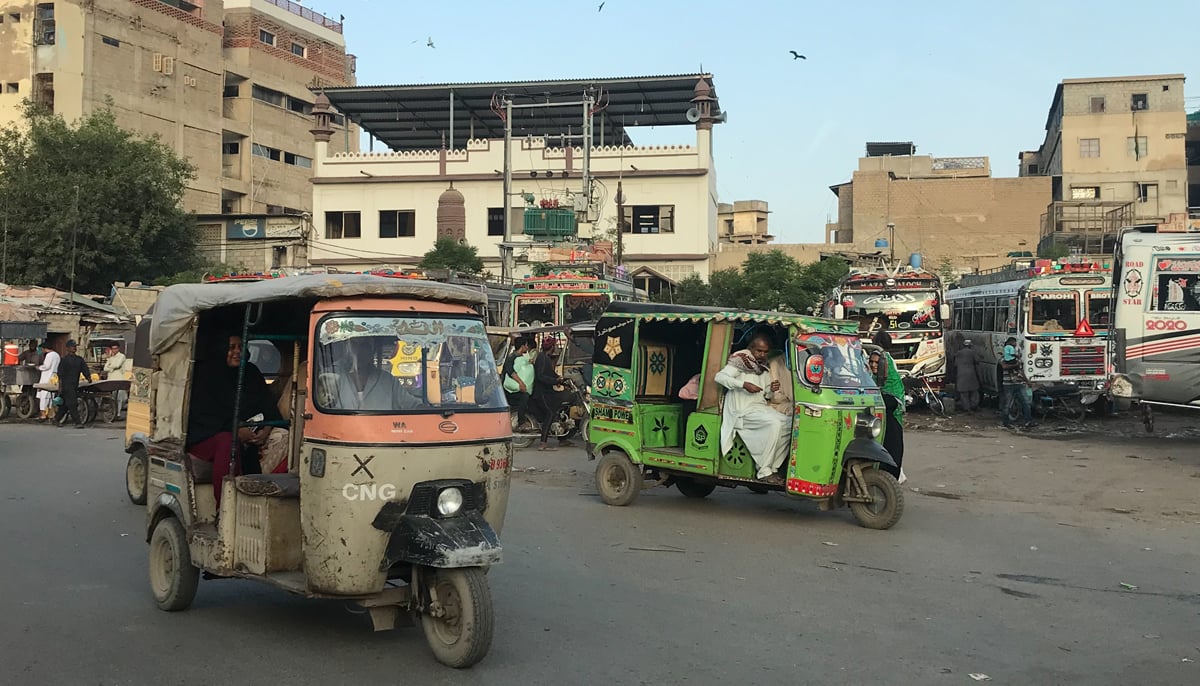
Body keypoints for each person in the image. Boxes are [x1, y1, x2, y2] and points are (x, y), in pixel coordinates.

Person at [185, 334, 287, 507]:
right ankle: (224, 507)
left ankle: (267, 496)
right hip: (209, 435)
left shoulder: (251, 372)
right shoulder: (205, 374)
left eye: (241, 347)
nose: (237, 352)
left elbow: (268, 406)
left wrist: (265, 430)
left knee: (284, 437)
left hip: (254, 430)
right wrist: (236, 430)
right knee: (228, 442)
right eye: (232, 347)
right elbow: (204, 415)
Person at [713, 328, 790, 484]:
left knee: (789, 423)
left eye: (765, 351)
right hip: (740, 410)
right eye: (759, 350)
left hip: (759, 407)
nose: (761, 354)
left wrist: (771, 390)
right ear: (751, 348)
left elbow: (765, 395)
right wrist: (743, 384)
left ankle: (773, 467)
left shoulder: (763, 366)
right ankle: (764, 471)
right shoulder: (740, 360)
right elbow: (720, 377)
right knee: (773, 424)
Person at [871, 331, 905, 482]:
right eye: (871, 363)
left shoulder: (883, 359)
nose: (873, 365)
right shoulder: (887, 358)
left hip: (889, 404)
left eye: (875, 363)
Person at [531, 336, 569, 451]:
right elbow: (541, 376)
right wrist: (555, 381)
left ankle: (563, 438)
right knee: (550, 413)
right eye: (554, 346)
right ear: (552, 347)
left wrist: (562, 379)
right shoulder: (542, 358)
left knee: (563, 406)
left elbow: (551, 374)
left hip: (548, 391)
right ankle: (543, 442)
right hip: (541, 393)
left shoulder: (546, 358)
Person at [54, 340, 91, 428]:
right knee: (72, 404)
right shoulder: (64, 360)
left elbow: (84, 369)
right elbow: (60, 374)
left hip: (74, 384)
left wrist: (88, 377)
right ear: (67, 348)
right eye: (72, 346)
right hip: (66, 385)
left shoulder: (79, 360)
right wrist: (60, 386)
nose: (74, 348)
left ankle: (56, 419)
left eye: (75, 346)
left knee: (65, 405)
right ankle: (78, 422)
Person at [503, 336, 536, 431]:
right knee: (524, 396)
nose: (527, 347)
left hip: (518, 387)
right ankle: (521, 422)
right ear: (522, 346)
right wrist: (521, 383)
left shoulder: (522, 357)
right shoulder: (511, 358)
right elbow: (511, 372)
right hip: (510, 390)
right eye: (526, 345)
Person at [1000, 336, 1033, 428]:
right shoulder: (1003, 359)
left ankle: (1028, 421)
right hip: (1008, 385)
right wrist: (1016, 365)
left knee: (1026, 403)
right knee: (1007, 404)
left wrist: (1027, 382)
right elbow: (1004, 367)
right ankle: (1006, 423)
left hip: (1019, 384)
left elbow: (1021, 372)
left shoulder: (1018, 360)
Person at [952, 339, 983, 413]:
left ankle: (967, 408)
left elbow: (955, 364)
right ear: (970, 346)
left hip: (961, 375)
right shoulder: (972, 352)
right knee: (974, 392)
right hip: (971, 375)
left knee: (964, 394)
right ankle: (974, 406)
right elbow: (977, 360)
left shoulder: (958, 353)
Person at [35, 342, 61, 421]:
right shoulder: (57, 355)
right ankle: (50, 413)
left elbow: (46, 366)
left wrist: (38, 367)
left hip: (47, 377)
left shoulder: (49, 355)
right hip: (54, 377)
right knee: (51, 396)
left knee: (44, 395)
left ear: (44, 348)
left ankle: (43, 414)